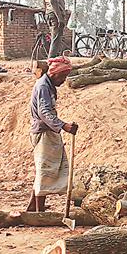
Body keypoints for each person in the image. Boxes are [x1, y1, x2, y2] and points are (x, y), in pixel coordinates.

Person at [27, 57, 78, 212]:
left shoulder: (47, 85)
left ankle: (32, 207)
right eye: (62, 77)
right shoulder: (43, 86)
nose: (63, 81)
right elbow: (44, 113)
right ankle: (38, 211)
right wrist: (64, 126)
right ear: (54, 74)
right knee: (45, 170)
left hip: (48, 132)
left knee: (47, 170)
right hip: (43, 133)